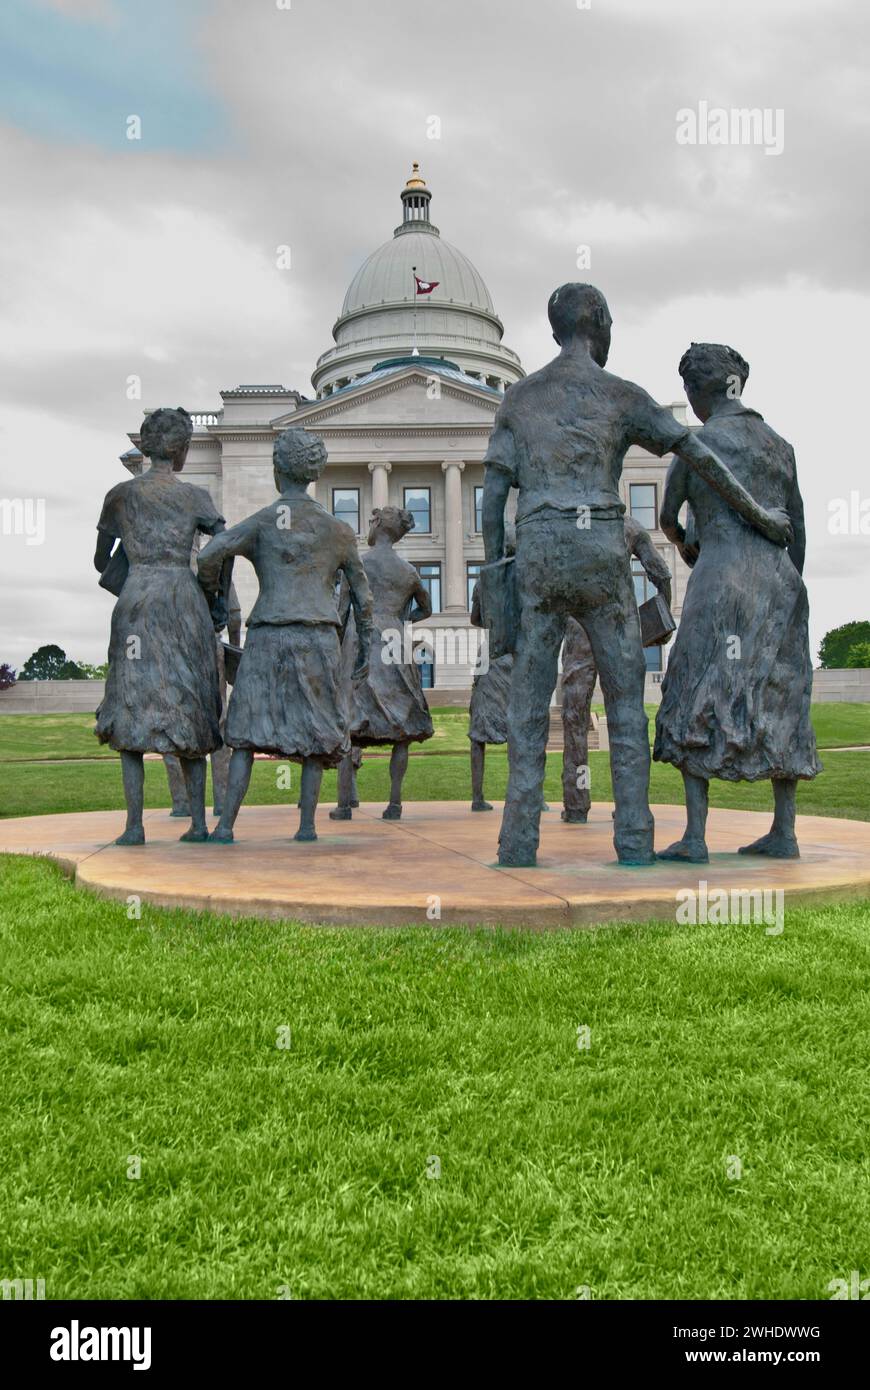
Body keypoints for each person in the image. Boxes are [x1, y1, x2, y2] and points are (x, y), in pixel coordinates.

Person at [481, 283, 794, 867]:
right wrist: (758, 514)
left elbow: (494, 493)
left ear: (555, 329)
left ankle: (518, 842)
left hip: (541, 547)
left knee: (527, 704)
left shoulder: (519, 398)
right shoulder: (620, 394)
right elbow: (697, 453)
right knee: (625, 701)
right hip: (600, 542)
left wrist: (498, 569)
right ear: (597, 321)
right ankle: (633, 842)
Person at [654, 342, 821, 861]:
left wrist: (685, 544)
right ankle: (784, 830)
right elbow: (799, 528)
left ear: (698, 389)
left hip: (721, 575)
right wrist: (788, 589)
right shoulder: (780, 446)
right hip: (780, 583)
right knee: (781, 691)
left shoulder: (699, 443)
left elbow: (667, 516)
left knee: (694, 685)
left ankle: (696, 836)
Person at [197, 428, 372, 843]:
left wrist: (215, 601)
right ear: (315, 473)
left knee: (245, 732)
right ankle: (306, 826)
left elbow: (208, 555)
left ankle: (225, 826)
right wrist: (365, 646)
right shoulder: (338, 531)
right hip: (318, 638)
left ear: (278, 471)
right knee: (315, 731)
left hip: (269, 633)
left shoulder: (263, 522)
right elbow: (364, 601)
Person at [94, 406, 225, 846]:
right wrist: (216, 601)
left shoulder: (120, 495)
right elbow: (220, 549)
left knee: (130, 710)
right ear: (183, 449)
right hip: (183, 600)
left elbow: (99, 560)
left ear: (146, 446)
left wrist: (131, 565)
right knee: (190, 704)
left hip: (136, 600)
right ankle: (200, 823)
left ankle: (134, 826)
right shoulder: (195, 497)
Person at [561, 515, 671, 822]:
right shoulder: (630, 526)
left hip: (580, 632)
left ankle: (576, 805)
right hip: (617, 630)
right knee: (626, 718)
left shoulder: (570, 525)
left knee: (575, 719)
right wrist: (663, 613)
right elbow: (661, 574)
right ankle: (629, 805)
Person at [330, 506, 434, 821]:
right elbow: (425, 609)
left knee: (349, 722)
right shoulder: (408, 571)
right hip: (396, 642)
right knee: (401, 725)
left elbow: (343, 609)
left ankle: (345, 804)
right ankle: (395, 803)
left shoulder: (358, 562)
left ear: (378, 527)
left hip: (360, 639)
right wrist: (402, 620)